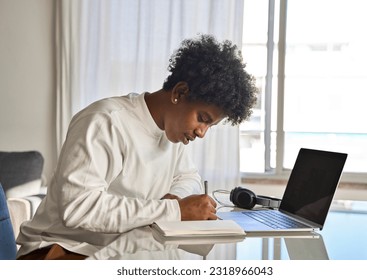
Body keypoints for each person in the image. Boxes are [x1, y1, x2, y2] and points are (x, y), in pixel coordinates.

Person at [16, 34, 257, 259]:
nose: (202, 132)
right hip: (59, 252)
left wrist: (179, 201)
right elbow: (79, 207)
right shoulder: (105, 121)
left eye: (210, 126)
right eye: (202, 119)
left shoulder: (173, 134)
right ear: (180, 93)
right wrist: (173, 210)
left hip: (113, 250)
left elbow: (187, 176)